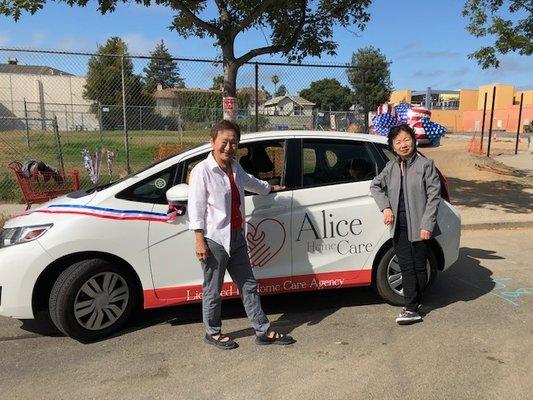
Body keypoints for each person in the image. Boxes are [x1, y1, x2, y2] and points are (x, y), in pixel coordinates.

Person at [187, 120, 296, 349]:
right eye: (224, 142)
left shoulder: (235, 167)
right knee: (213, 289)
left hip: (237, 237)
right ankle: (212, 332)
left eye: (233, 142)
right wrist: (199, 240)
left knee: (248, 285)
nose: (228, 147)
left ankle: (262, 331)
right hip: (214, 239)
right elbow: (195, 208)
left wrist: (270, 188)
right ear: (212, 142)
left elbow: (252, 183)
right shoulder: (202, 171)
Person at [370, 124, 441, 325]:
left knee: (419, 266)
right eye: (398, 142)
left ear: (414, 140)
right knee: (406, 266)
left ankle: (414, 303)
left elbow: (433, 198)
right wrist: (386, 208)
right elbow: (375, 186)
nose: (403, 145)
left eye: (406, 140)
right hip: (398, 226)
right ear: (392, 146)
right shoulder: (391, 167)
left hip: (420, 226)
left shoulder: (425, 166)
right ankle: (411, 307)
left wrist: (427, 224)